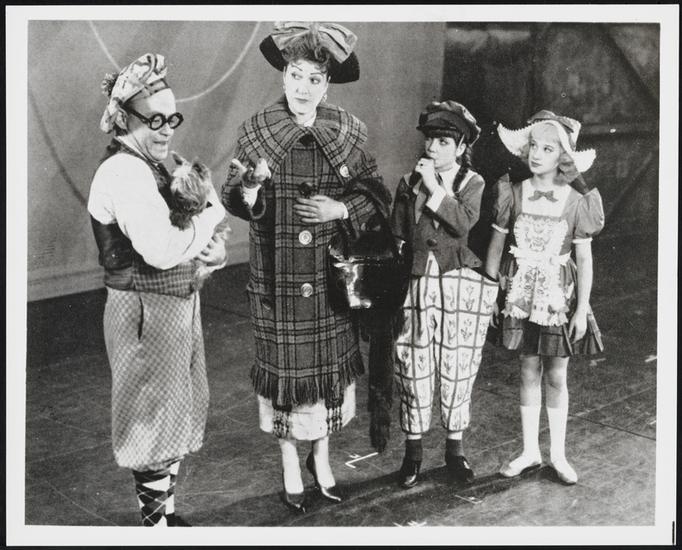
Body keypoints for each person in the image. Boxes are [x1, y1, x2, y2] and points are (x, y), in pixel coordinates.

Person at [222, 22, 391, 513]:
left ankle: (321, 458)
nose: (303, 88)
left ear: (327, 84)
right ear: (283, 76)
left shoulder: (347, 131)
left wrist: (341, 210)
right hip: (277, 278)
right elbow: (234, 198)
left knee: (324, 375)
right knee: (286, 376)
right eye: (295, 75)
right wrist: (251, 188)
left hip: (327, 278)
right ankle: (289, 463)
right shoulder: (258, 131)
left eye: (314, 79)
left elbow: (375, 193)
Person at [87, 53, 228, 526]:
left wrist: (212, 255)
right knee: (152, 418)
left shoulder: (150, 165)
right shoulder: (124, 172)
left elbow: (182, 243)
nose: (166, 130)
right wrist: (211, 211)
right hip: (144, 311)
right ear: (124, 118)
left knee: (173, 413)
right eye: (154, 120)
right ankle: (154, 526)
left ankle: (164, 514)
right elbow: (163, 250)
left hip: (172, 307)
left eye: (171, 118)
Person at [484, 110, 605, 485]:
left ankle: (557, 454)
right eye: (534, 146)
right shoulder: (513, 193)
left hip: (556, 298)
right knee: (527, 368)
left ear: (563, 156)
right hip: (521, 295)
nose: (537, 154)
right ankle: (529, 451)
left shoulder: (576, 200)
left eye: (548, 148)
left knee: (556, 373)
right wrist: (490, 292)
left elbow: (584, 259)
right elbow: (496, 244)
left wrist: (581, 309)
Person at [389, 101, 499, 488]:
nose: (432, 148)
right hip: (418, 282)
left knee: (458, 361)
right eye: (430, 140)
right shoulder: (409, 182)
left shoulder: (472, 182)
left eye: (442, 142)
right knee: (413, 362)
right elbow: (398, 231)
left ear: (460, 146)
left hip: (458, 282)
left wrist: (435, 188)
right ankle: (413, 454)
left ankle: (455, 451)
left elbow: (462, 223)